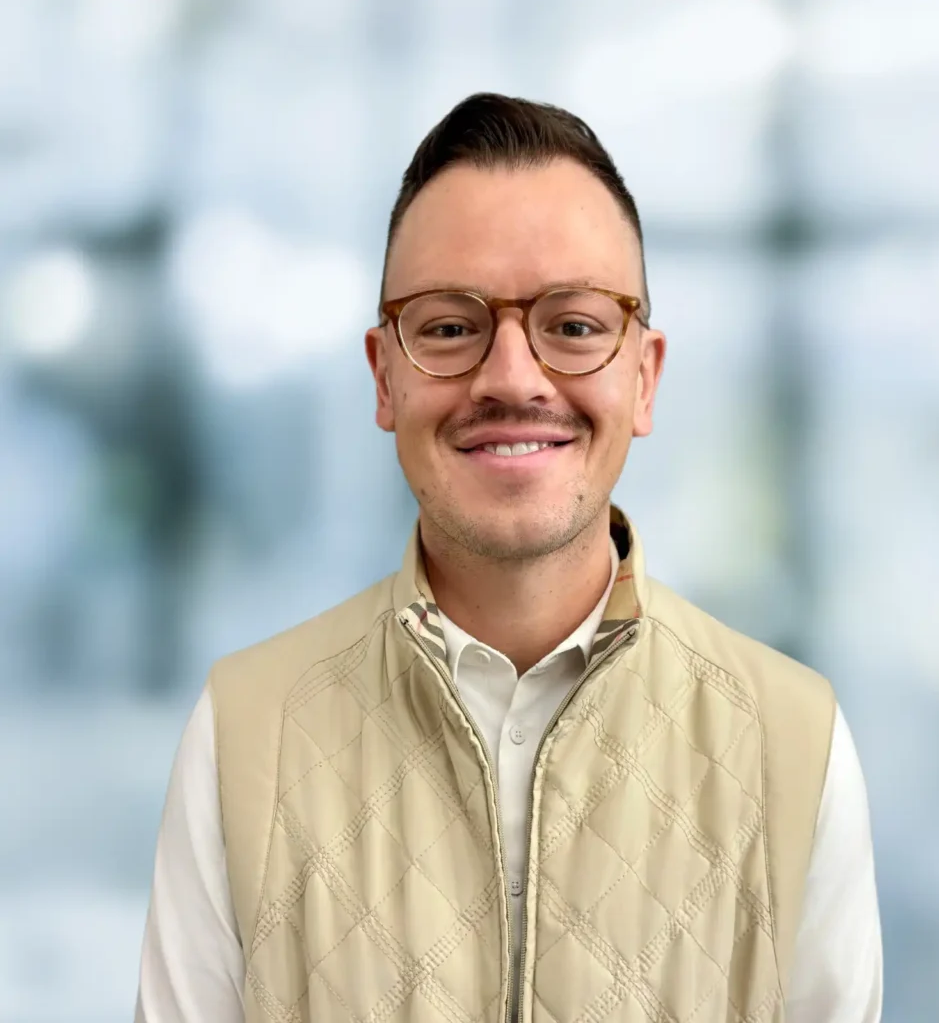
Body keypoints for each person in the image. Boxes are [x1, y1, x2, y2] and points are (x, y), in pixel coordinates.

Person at [136, 92, 882, 1023]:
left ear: (643, 379)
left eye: (573, 324)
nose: (513, 377)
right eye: (450, 326)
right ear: (385, 375)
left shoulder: (794, 743)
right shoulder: (244, 733)